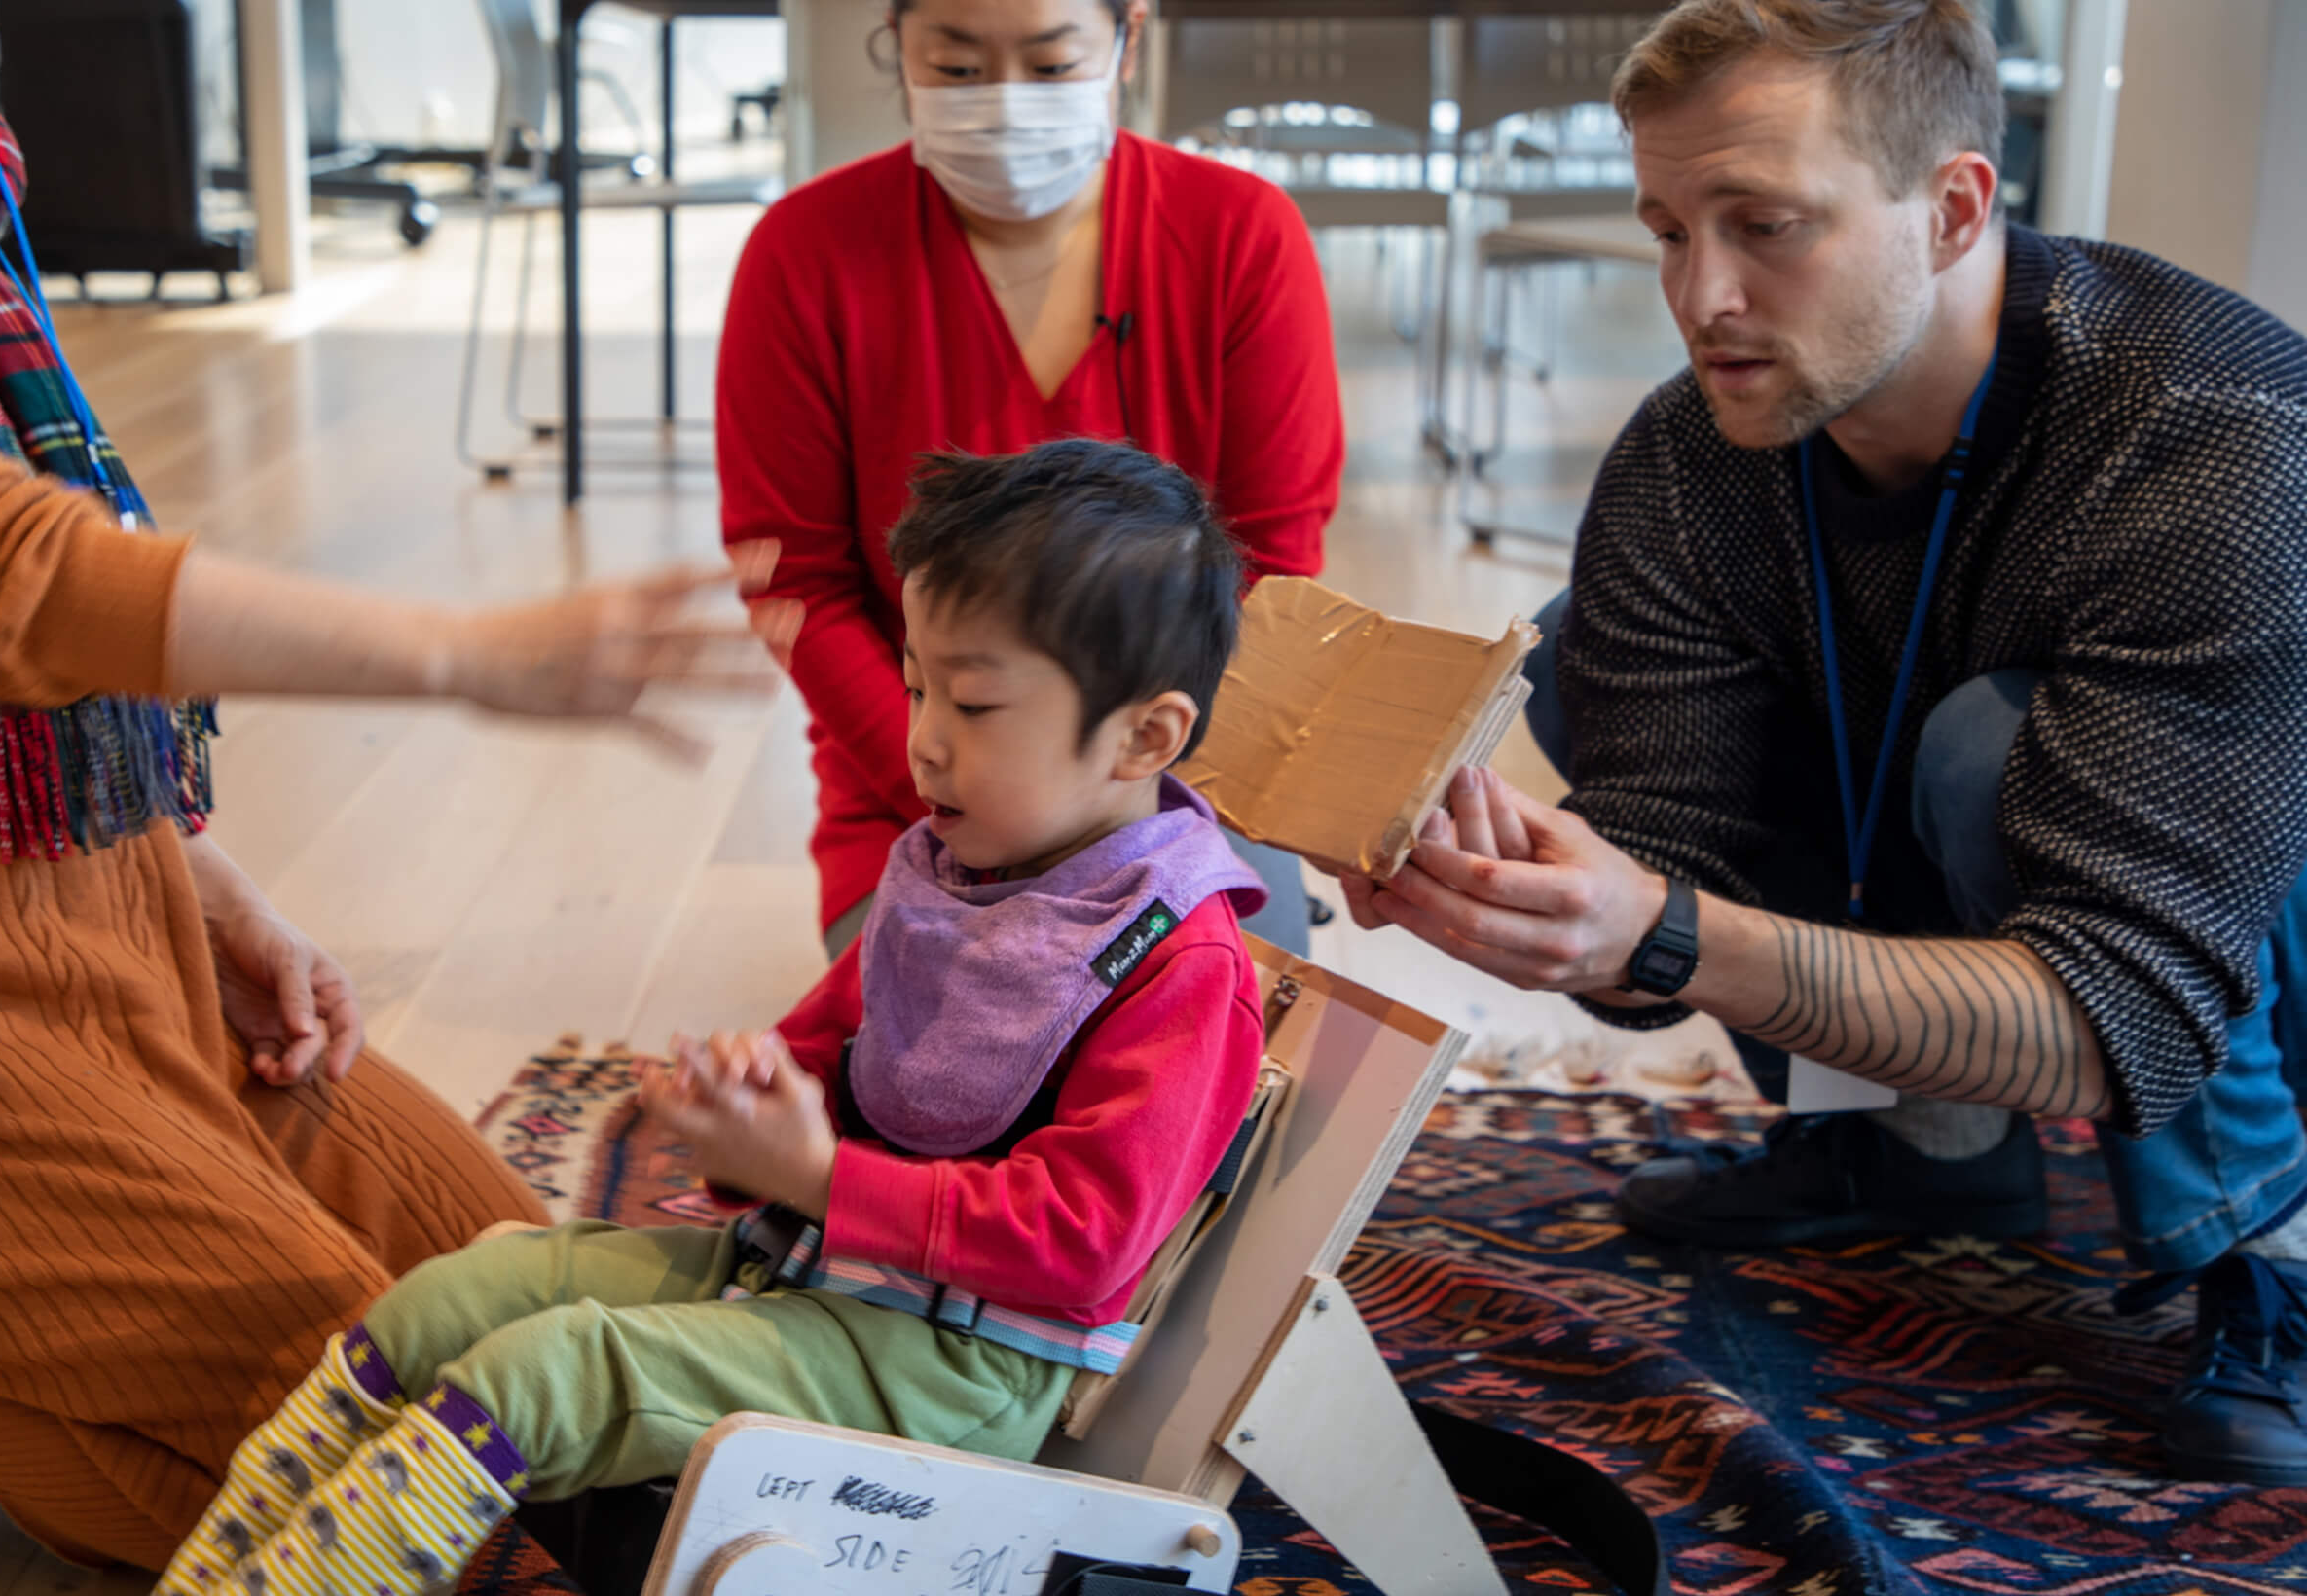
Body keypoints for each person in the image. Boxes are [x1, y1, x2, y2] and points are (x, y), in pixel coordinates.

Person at [0, 0, 774, 1570]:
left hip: (102, 971)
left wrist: (186, 871)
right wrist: (463, 651)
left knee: (560, 1317)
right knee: (411, 1475)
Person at [1343, 0, 2307, 1487]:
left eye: (1767, 226)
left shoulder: (2206, 430)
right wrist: (1534, 901)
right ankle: (1923, 1149)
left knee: (1987, 753)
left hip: (2227, 895)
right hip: (2026, 861)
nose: (1701, 295)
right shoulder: (1690, 454)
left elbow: (2123, 1012)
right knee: (1577, 642)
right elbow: (1665, 861)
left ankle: (2273, 1244)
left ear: (1955, 207)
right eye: (1670, 230)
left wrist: (1665, 934)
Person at [150, 440, 1270, 1596]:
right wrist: (748, 1095)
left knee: (552, 1372)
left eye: (975, 702)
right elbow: (831, 1042)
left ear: (1145, 736)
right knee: (452, 1294)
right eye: (918, 686)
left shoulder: (1180, 966)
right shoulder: (954, 871)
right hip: (811, 1276)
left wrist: (822, 1176)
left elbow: (1084, 1238)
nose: (925, 736)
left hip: (951, 1370)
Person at [717, 0, 1344, 960]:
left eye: (1051, 68)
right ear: (898, 45)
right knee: (938, 1034)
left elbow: (1271, 574)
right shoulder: (805, 253)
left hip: (1180, 773)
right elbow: (797, 579)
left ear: (1129, 40)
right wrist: (958, 766)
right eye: (957, 69)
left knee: (1235, 1021)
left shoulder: (1240, 235)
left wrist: (1121, 795)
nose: (1006, 105)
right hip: (919, 780)